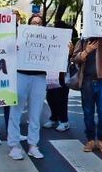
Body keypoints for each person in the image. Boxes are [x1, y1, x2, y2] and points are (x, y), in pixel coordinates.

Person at [9, 14, 48, 160]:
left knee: (35, 113)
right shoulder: (19, 37)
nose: (36, 25)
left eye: (39, 23)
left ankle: (33, 145)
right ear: (28, 25)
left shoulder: (47, 40)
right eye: (33, 23)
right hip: (20, 75)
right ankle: (13, 145)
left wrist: (66, 50)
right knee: (15, 111)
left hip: (39, 77)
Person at [43, 21, 75, 132]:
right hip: (50, 73)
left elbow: (72, 56)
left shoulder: (68, 42)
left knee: (61, 98)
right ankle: (54, 118)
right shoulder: (49, 40)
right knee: (50, 97)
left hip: (61, 75)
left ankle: (64, 121)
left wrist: (70, 51)